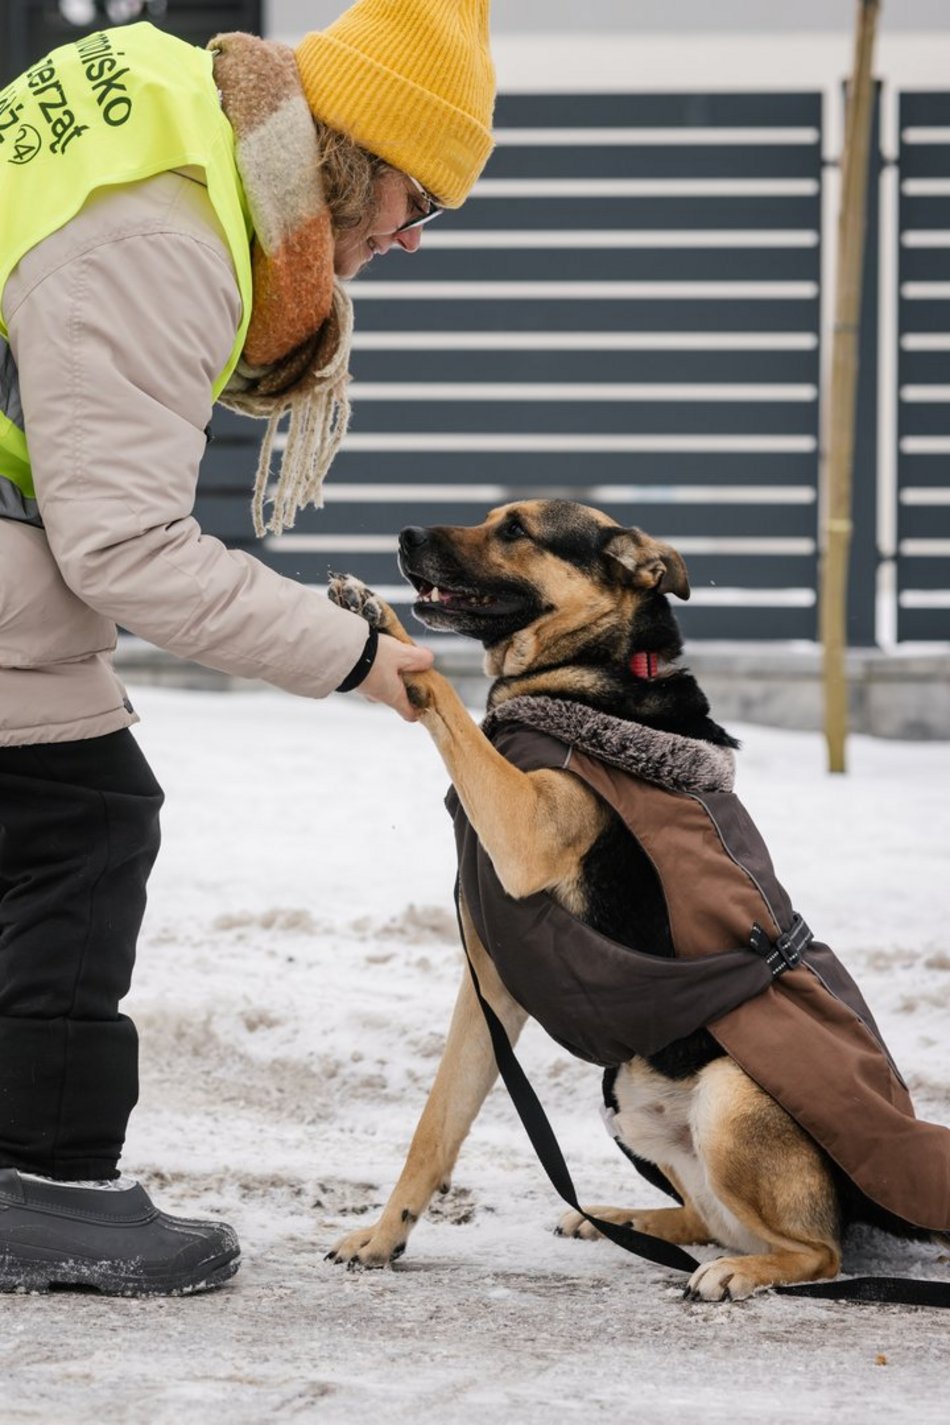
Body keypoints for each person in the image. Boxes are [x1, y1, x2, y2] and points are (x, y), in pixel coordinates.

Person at [0, 0, 494, 1295]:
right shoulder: (165, 233)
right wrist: (351, 653)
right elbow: (125, 546)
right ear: (357, 154)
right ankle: (42, 1186)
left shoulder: (174, 111)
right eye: (421, 199)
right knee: (78, 820)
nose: (412, 237)